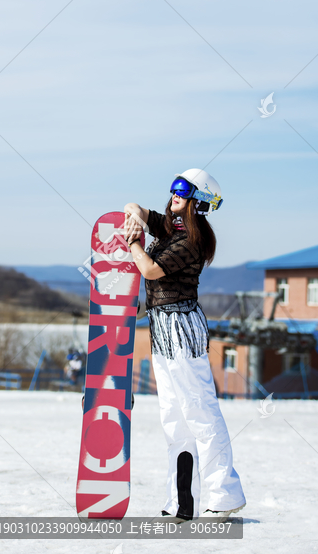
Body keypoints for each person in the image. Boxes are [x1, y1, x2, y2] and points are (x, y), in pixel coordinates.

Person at [124, 168, 246, 523]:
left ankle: (224, 496)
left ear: (198, 199)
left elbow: (149, 269)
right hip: (162, 330)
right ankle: (182, 501)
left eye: (183, 189)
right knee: (173, 418)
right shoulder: (172, 228)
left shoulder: (191, 240)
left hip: (181, 328)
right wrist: (134, 219)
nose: (174, 193)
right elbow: (133, 207)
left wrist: (133, 242)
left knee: (199, 411)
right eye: (174, 186)